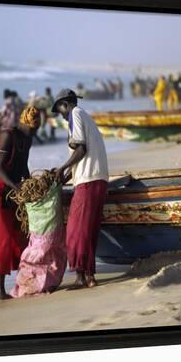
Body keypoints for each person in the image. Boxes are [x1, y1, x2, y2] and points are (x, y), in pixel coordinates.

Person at [51, 89, 109, 290]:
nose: (61, 115)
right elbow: (84, 155)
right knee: (88, 231)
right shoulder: (86, 117)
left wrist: (62, 167)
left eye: (60, 110)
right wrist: (65, 176)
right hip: (98, 179)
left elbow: (81, 149)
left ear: (65, 104)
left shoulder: (75, 114)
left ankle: (81, 277)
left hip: (89, 181)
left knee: (75, 231)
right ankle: (90, 276)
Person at [0, 106, 41, 299]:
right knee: (3, 240)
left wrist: (30, 184)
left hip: (14, 193)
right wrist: (16, 187)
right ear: (23, 123)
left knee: (20, 237)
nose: (32, 133)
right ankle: (0, 289)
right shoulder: (7, 136)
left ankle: (22, 282)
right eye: (30, 129)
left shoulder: (28, 139)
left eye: (35, 130)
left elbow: (23, 164)